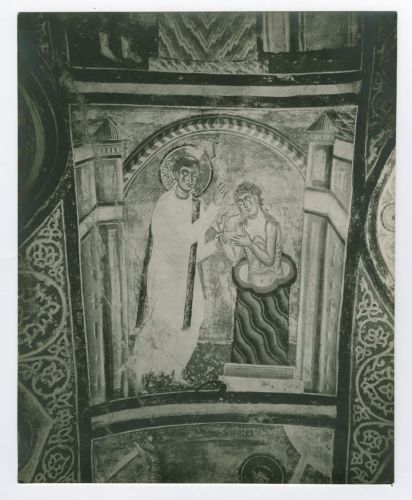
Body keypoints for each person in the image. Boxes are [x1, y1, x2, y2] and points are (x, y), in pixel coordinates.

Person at [130, 147, 226, 390]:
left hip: (186, 274)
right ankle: (138, 374)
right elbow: (184, 239)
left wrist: (217, 242)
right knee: (163, 322)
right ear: (175, 174)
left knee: (194, 319)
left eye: (194, 175)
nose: (189, 178)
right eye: (185, 173)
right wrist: (214, 208)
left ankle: (174, 372)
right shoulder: (165, 204)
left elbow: (195, 250)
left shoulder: (196, 205)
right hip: (165, 274)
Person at [217, 181, 291, 366]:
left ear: (257, 198)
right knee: (245, 345)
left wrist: (249, 244)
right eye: (240, 202)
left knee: (273, 345)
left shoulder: (270, 226)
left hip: (274, 292)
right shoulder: (241, 227)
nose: (245, 205)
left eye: (247, 199)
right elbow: (235, 259)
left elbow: (268, 259)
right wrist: (222, 238)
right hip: (249, 290)